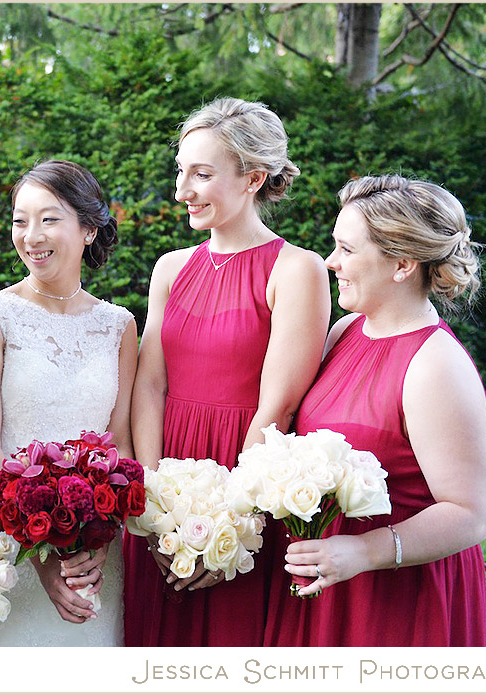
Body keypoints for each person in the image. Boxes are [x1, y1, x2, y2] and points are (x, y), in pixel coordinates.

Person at [123, 97, 331, 647]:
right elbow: (150, 384)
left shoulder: (297, 268)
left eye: (202, 174)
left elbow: (278, 407)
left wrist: (229, 520)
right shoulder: (170, 267)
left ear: (253, 179)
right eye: (180, 172)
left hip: (243, 478)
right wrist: (152, 495)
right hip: (167, 471)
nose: (181, 190)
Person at [264, 174, 486, 646]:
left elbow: (470, 514)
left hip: (397, 599)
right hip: (329, 579)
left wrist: (362, 551)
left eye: (347, 250)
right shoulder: (345, 331)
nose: (332, 263)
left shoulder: (435, 366)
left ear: (403, 264)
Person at [0, 160, 138, 646]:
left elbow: (118, 445)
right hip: (6, 542)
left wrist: (97, 540)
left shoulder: (120, 326)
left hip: (93, 551)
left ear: (88, 228)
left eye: (49, 219)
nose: (31, 235)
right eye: (20, 220)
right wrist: (39, 554)